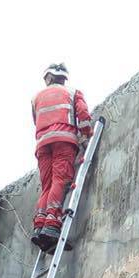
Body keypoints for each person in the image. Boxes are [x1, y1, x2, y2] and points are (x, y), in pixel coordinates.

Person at [32, 63, 93, 252]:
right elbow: (83, 115)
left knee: (47, 185)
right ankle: (51, 225)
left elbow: (36, 121)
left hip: (42, 144)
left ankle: (40, 225)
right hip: (64, 140)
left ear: (49, 77)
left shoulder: (36, 98)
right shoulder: (73, 92)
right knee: (60, 180)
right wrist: (86, 134)